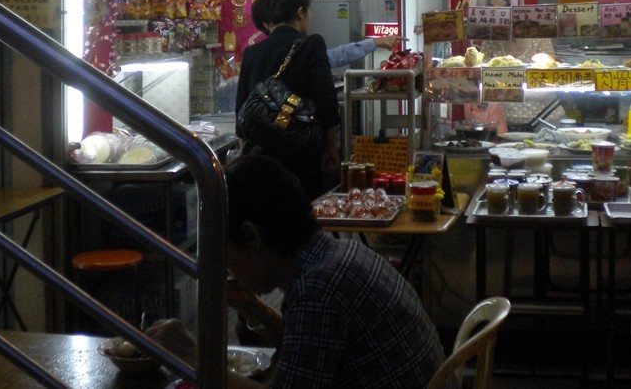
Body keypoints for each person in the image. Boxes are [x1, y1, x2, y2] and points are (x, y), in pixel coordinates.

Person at [149, 154, 446, 389]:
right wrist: (254, 309)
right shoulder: (336, 256)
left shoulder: (319, 288)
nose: (227, 269)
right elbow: (311, 352)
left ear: (251, 237)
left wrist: (192, 357)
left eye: (226, 255)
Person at [235, 0, 341, 199]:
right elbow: (326, 100)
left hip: (262, 155)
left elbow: (241, 109)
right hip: (303, 152)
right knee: (302, 214)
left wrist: (246, 153)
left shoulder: (252, 53)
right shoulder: (312, 44)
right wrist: (331, 145)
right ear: (301, 12)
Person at [250, 0, 402, 68]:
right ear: (300, 13)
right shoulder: (308, 47)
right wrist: (374, 43)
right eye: (308, 10)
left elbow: (242, 105)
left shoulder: (253, 54)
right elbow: (336, 57)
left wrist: (374, 42)